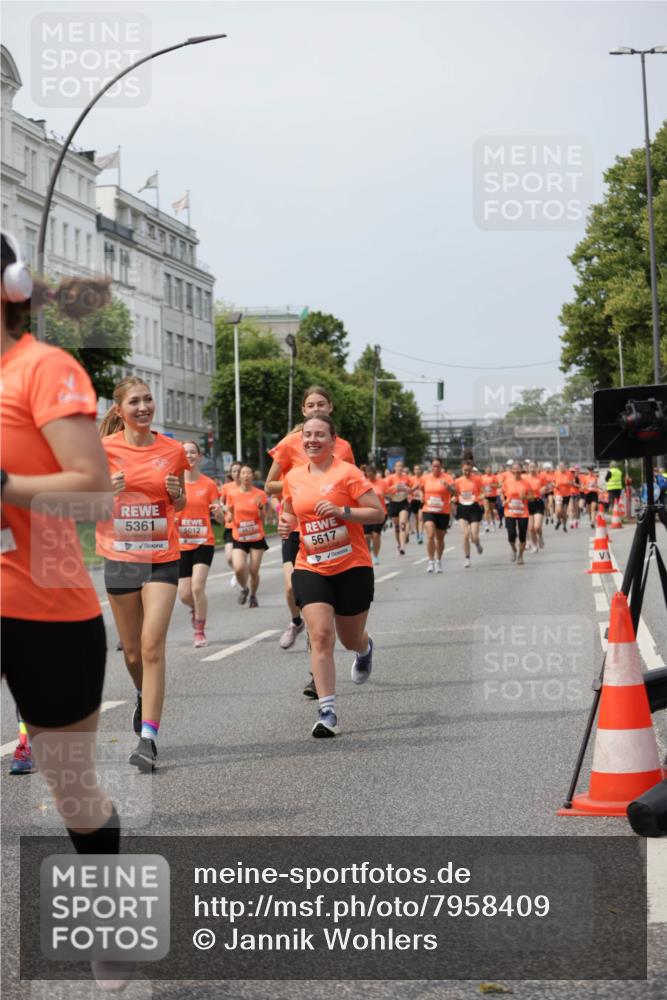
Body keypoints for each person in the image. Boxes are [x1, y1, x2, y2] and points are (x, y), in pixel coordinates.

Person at [0, 232, 130, 989]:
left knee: (72, 789)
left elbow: (90, 489)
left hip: (44, 605)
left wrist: (4, 485)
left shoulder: (43, 369)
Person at [96, 377, 189, 772]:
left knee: (152, 645)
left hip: (162, 556)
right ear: (119, 410)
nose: (144, 407)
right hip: (119, 557)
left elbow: (181, 502)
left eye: (149, 399)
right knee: (132, 651)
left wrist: (176, 495)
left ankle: (148, 738)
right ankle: (141, 692)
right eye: (135, 401)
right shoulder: (100, 451)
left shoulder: (171, 450)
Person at [279, 415, 384, 738]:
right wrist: (285, 525)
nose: (312, 440)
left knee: (350, 637)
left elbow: (378, 512)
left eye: (319, 435)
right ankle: (327, 712)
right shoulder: (293, 476)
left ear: (332, 440)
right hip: (311, 566)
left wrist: (343, 512)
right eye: (307, 435)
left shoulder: (347, 473)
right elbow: (289, 512)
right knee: (321, 636)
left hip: (351, 565)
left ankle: (364, 650)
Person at [265, 386, 355, 692]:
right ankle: (297, 621)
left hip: (331, 532)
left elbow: (352, 488)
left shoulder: (342, 446)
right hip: (297, 525)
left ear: (330, 407)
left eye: (321, 403)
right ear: (303, 411)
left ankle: (317, 676)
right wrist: (299, 481)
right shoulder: (291, 442)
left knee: (324, 606)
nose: (316, 407)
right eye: (310, 404)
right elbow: (269, 484)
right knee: (292, 587)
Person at [176, 441, 223, 646]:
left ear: (199, 456)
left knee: (197, 587)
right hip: (181, 543)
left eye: (192, 452)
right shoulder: (174, 484)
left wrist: (219, 512)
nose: (189, 456)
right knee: (184, 594)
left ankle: (199, 631)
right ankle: (196, 608)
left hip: (204, 541)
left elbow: (221, 519)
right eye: (185, 453)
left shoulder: (208, 484)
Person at [226, 463, 269, 608]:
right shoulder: (232, 494)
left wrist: (261, 507)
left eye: (248, 473)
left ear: (252, 476)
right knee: (238, 568)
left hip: (256, 537)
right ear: (239, 476)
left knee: (254, 570)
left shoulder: (260, 494)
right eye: (243, 473)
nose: (245, 476)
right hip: (239, 537)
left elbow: (263, 518)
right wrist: (229, 518)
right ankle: (244, 588)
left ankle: (253, 595)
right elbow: (230, 514)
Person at [422, 458, 456, 573]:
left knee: (440, 539)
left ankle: (438, 561)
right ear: (431, 467)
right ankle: (430, 561)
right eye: (433, 466)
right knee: (430, 535)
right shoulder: (426, 477)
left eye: (437, 466)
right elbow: (420, 489)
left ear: (441, 467)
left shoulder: (447, 478)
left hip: (443, 511)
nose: (435, 468)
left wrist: (448, 487)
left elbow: (455, 492)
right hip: (428, 510)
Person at [454, 453, 484, 568]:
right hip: (462, 508)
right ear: (462, 469)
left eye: (469, 470)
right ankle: (467, 558)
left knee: (474, 536)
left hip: (474, 509)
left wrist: (481, 496)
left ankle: (477, 543)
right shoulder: (458, 481)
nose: (467, 472)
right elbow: (455, 494)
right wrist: (453, 498)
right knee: (465, 534)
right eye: (465, 470)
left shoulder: (477, 479)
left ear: (472, 470)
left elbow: (483, 491)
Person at [501, 461, 534, 564]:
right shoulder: (507, 482)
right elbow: (502, 493)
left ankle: (520, 555)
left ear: (521, 471)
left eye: (518, 471)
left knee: (522, 535)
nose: (516, 473)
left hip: (522, 512)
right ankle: (514, 549)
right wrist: (503, 500)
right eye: (514, 471)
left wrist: (525, 497)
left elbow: (532, 498)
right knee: (511, 534)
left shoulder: (526, 483)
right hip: (510, 511)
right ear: (511, 471)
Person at [219, 461, 241, 588]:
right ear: (231, 473)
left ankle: (241, 571)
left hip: (244, 527)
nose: (237, 474)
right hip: (230, 525)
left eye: (239, 471)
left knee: (241, 558)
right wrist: (224, 508)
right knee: (228, 557)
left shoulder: (247, 487)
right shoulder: (226, 487)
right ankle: (236, 572)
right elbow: (221, 502)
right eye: (234, 471)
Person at [384, 460, 412, 555]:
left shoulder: (406, 478)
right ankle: (399, 544)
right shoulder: (390, 478)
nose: (399, 468)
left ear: (403, 468)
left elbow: (411, 488)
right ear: (394, 468)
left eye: (401, 466)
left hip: (403, 503)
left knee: (402, 524)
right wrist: (395, 487)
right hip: (393, 503)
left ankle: (403, 546)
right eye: (397, 466)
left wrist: (408, 490)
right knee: (396, 528)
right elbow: (385, 490)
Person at [364, 465, 387, 566]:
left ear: (374, 473)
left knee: (376, 535)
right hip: (367, 513)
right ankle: (368, 555)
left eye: (371, 474)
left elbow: (389, 494)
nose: (370, 476)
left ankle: (376, 556)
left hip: (380, 513)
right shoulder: (363, 483)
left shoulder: (382, 483)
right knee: (367, 536)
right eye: (368, 474)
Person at [525, 461, 546, 552]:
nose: (532, 469)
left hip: (538, 502)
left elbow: (545, 488)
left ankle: (540, 536)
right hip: (528, 503)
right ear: (528, 468)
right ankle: (534, 545)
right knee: (530, 528)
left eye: (534, 467)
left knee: (537, 527)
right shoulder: (524, 478)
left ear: (537, 468)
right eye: (531, 467)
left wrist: (543, 490)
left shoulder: (541, 478)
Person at [554, 461, 574, 532]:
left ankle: (564, 526)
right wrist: (555, 485)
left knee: (564, 512)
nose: (562, 467)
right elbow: (553, 482)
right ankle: (559, 520)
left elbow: (572, 483)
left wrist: (570, 483)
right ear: (559, 467)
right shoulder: (556, 473)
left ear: (565, 466)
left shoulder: (569, 474)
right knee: (558, 511)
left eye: (563, 466)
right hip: (558, 493)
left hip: (566, 495)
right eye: (560, 466)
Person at [409, 464, 424, 543]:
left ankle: (421, 535)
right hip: (414, 500)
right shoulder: (411, 479)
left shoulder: (424, 479)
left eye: (419, 469)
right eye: (416, 469)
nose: (417, 471)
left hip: (422, 500)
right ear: (414, 471)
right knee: (416, 519)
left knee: (421, 517)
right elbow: (409, 490)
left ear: (421, 470)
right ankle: (418, 534)